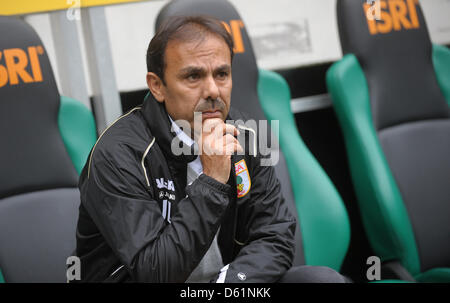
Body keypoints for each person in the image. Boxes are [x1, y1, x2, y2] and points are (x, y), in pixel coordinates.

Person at [73, 15, 347, 283]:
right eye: (193, 76)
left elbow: (275, 235)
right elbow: (154, 272)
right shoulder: (117, 154)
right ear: (157, 86)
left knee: (321, 279)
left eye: (222, 74)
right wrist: (212, 180)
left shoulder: (248, 135)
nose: (213, 91)